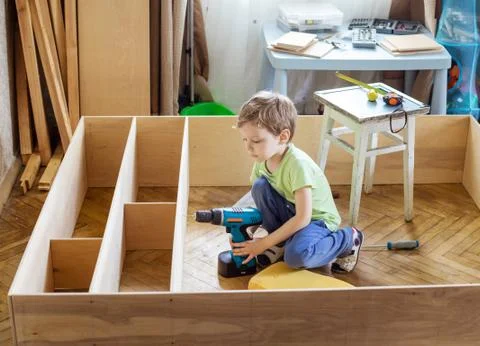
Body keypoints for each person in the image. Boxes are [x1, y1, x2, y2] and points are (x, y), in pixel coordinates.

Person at [232, 90, 363, 273]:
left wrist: (263, 244)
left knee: (296, 257)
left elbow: (303, 218)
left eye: (255, 140)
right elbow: (255, 202)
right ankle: (282, 242)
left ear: (283, 137)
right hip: (291, 210)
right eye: (245, 139)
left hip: (316, 219)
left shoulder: (298, 165)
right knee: (260, 187)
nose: (248, 147)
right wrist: (244, 228)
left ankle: (348, 239)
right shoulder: (263, 160)